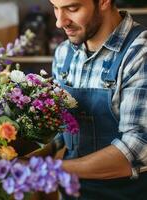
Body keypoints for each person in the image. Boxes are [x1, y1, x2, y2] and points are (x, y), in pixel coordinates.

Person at [27, 0, 147, 199]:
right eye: (55, 7)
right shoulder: (64, 53)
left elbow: (137, 149)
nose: (59, 22)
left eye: (72, 8)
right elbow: (60, 131)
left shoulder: (139, 54)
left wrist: (49, 169)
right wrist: (26, 160)